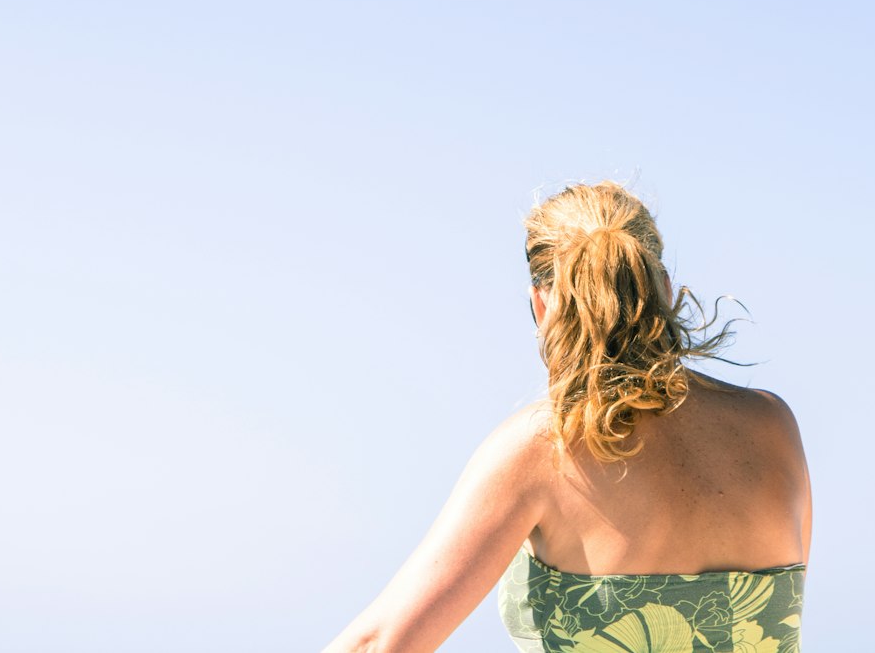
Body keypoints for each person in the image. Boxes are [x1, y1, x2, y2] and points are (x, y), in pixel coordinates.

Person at [321, 180, 811, 653]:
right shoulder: (772, 427)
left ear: (542, 303)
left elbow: (379, 645)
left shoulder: (541, 448)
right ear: (663, 286)